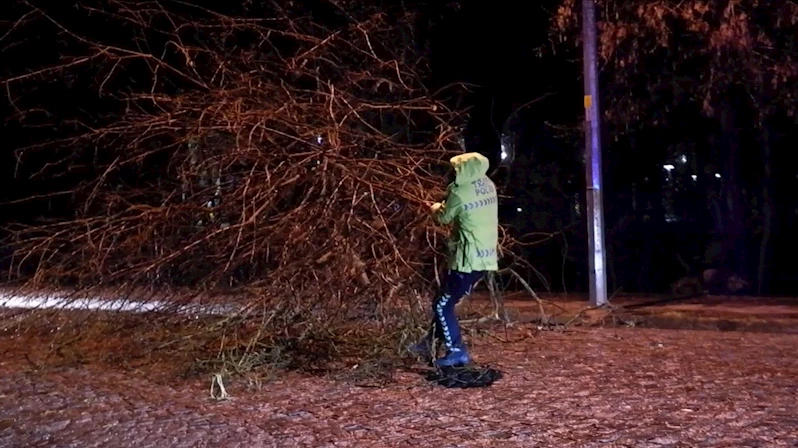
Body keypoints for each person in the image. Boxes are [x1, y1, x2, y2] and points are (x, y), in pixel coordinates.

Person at [410, 152, 499, 367]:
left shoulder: (460, 193)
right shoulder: (488, 185)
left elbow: (443, 217)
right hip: (484, 258)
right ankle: (428, 344)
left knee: (442, 305)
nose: (453, 173)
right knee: (444, 300)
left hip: (466, 260)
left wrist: (433, 206)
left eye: (457, 169)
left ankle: (457, 351)